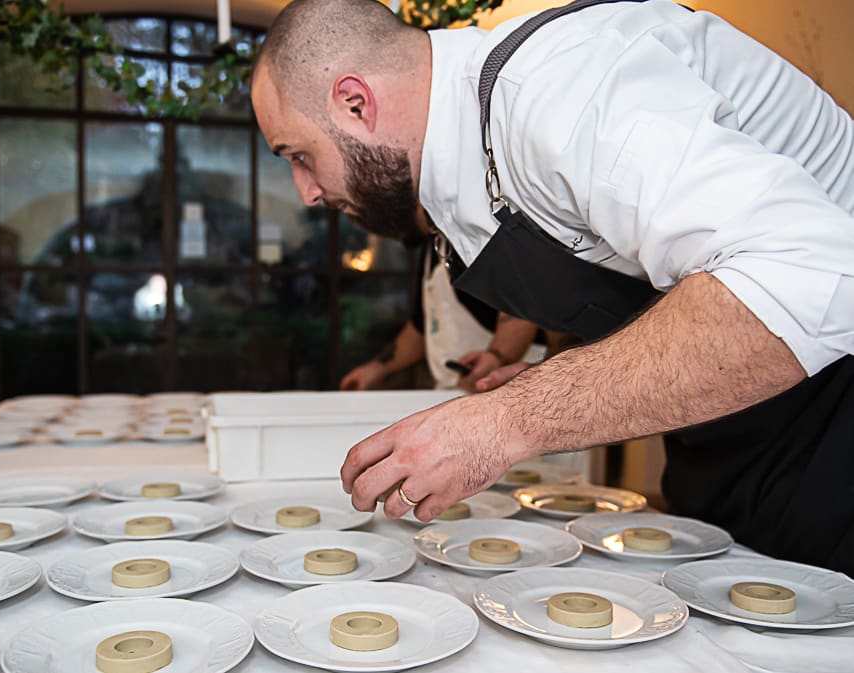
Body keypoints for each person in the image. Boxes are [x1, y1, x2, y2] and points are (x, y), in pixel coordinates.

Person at [251, 0, 854, 573]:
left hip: (834, 412)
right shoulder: (464, 160)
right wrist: (562, 374)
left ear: (355, 102)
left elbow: (808, 276)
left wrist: (507, 421)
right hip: (728, 438)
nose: (305, 192)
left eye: (298, 154)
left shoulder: (564, 87)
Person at [340, 233, 546, 392]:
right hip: (451, 392)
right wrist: (376, 368)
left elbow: (522, 304)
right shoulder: (433, 246)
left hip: (510, 392)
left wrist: (496, 357)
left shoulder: (475, 234)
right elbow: (421, 327)